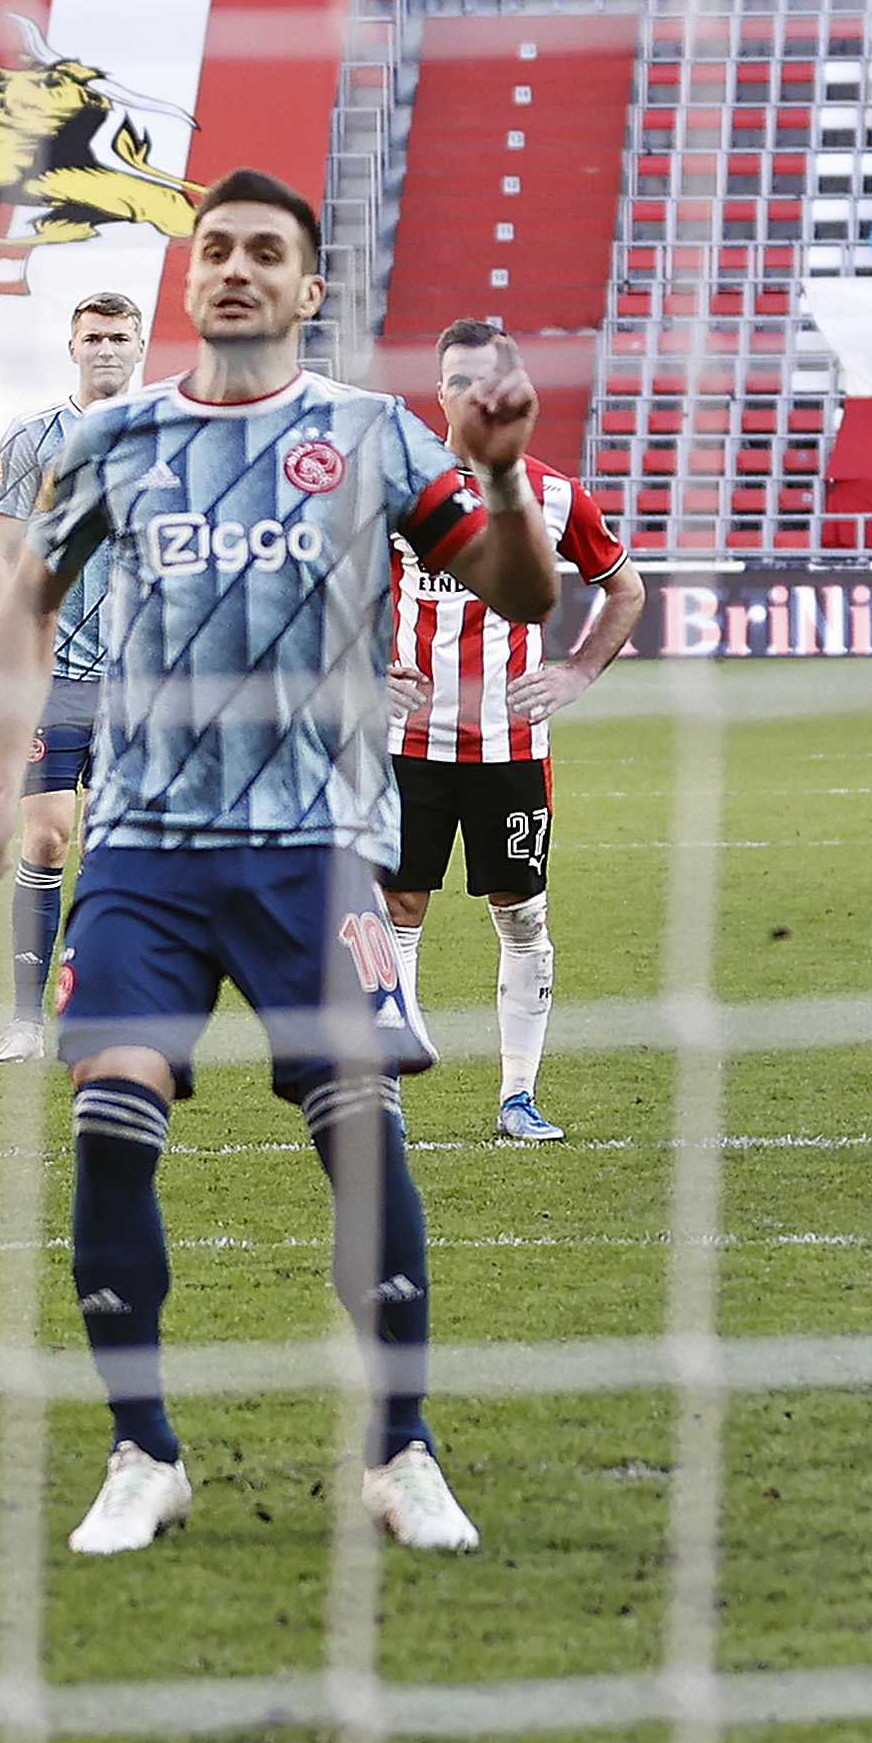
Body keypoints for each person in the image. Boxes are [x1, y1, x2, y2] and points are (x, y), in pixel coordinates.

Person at [0, 168, 562, 1562]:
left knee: (360, 1133)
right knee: (110, 1122)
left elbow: (521, 592)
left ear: (306, 287)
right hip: (143, 850)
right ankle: (142, 1453)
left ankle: (400, 1450)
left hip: (314, 845)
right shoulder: (117, 441)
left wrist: (500, 474)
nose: (233, 266)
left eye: (262, 252)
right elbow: (23, 606)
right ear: (191, 277)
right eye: (213, 247)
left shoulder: (370, 434)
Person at [389, 315, 643, 1145]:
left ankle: (518, 1097)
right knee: (396, 912)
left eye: (486, 382)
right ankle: (385, 1100)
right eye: (457, 381)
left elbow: (626, 588)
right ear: (437, 392)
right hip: (408, 743)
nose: (472, 395)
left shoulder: (554, 492)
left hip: (511, 745)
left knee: (522, 914)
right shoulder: (397, 484)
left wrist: (576, 672)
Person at [0, 288, 152, 1062]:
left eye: (119, 337)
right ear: (72, 346)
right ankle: (25, 1019)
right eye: (94, 337)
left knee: (119, 852)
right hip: (56, 677)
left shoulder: (169, 434)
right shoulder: (31, 438)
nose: (106, 348)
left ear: (140, 346)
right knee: (48, 835)